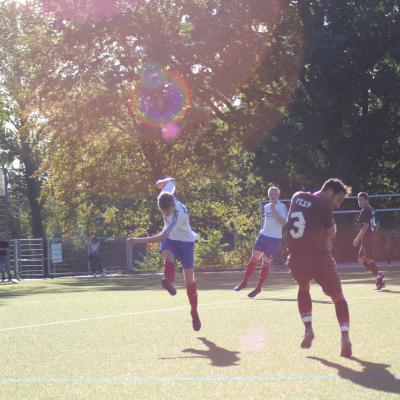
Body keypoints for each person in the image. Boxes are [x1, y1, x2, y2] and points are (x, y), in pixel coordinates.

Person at [286, 178, 353, 357]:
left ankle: (308, 329)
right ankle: (345, 336)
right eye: (338, 200)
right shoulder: (324, 208)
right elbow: (332, 233)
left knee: (303, 288)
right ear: (329, 191)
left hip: (296, 259)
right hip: (320, 259)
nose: (337, 205)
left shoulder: (296, 196)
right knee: (338, 297)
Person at [127, 177, 201, 331]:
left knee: (189, 281)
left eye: (167, 211)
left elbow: (162, 237)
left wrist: (137, 240)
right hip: (171, 240)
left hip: (186, 241)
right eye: (163, 211)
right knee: (167, 253)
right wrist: (160, 182)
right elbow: (172, 180)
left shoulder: (177, 215)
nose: (165, 213)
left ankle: (194, 311)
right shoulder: (164, 195)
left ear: (172, 206)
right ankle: (169, 281)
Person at [233, 186, 287, 297]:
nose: (273, 196)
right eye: (271, 194)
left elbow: (283, 223)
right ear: (268, 195)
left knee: (266, 263)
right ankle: (244, 283)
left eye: (275, 194)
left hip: (275, 239)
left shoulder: (281, 207)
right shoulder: (266, 206)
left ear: (278, 195)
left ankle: (258, 288)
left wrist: (275, 211)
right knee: (253, 259)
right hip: (263, 236)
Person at [353, 192, 385, 289]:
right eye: (358, 200)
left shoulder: (365, 210)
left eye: (361, 200)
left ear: (367, 200)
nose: (359, 201)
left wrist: (357, 239)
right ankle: (378, 274)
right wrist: (374, 233)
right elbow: (378, 224)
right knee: (361, 259)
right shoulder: (372, 209)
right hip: (369, 237)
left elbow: (365, 226)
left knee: (369, 259)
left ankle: (379, 281)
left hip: (367, 238)